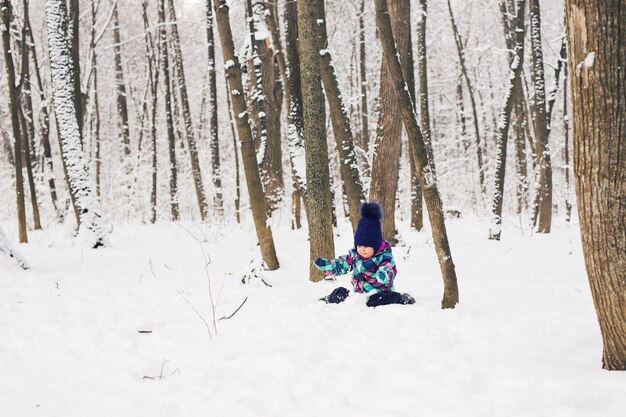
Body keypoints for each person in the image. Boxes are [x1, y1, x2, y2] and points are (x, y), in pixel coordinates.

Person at [314, 202, 415, 307]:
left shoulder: (384, 256)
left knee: (374, 301)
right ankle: (330, 299)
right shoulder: (355, 256)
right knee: (340, 292)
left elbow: (389, 269)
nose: (362, 250)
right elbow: (342, 264)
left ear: (375, 246)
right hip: (359, 292)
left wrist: (383, 275)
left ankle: (400, 298)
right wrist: (327, 266)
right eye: (359, 246)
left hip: (378, 292)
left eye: (366, 246)